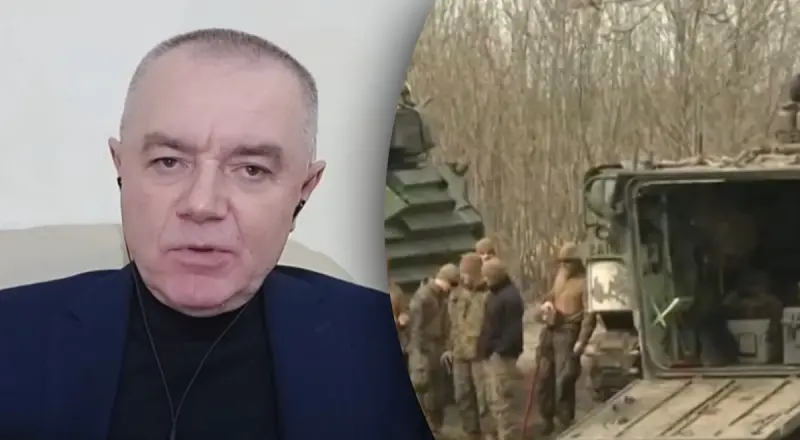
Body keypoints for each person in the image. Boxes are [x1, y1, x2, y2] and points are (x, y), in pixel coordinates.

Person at [0, 28, 432, 440]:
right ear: (121, 167)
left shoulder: (388, 349)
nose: (202, 205)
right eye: (169, 162)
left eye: (252, 170)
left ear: (304, 190)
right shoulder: (11, 339)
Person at [534, 242, 595, 435]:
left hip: (569, 332)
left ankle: (565, 421)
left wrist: (582, 341)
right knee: (544, 377)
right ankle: (547, 418)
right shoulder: (560, 277)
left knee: (564, 379)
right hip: (550, 330)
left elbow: (590, 315)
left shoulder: (585, 282)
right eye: (562, 262)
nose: (564, 265)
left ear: (576, 262)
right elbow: (551, 295)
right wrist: (546, 303)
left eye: (568, 262)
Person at [442, 253, 492, 440]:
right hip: (460, 353)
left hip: (480, 355)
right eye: (462, 273)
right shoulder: (456, 296)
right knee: (462, 395)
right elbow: (450, 324)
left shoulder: (488, 295)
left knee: (484, 398)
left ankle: (489, 433)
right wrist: (449, 347)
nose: (463, 277)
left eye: (467, 274)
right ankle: (472, 433)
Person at [408, 263, 459, 437]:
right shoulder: (423, 297)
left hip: (437, 348)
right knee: (424, 387)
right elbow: (415, 329)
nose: (452, 289)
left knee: (438, 391)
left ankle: (436, 426)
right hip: (423, 349)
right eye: (452, 284)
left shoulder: (441, 296)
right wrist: (417, 354)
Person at [477, 258, 524, 440]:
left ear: (494, 276)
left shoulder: (510, 298)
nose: (484, 280)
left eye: (486, 277)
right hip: (492, 355)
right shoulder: (495, 294)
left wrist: (499, 351)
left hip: (502, 358)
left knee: (503, 403)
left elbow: (512, 331)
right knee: (494, 402)